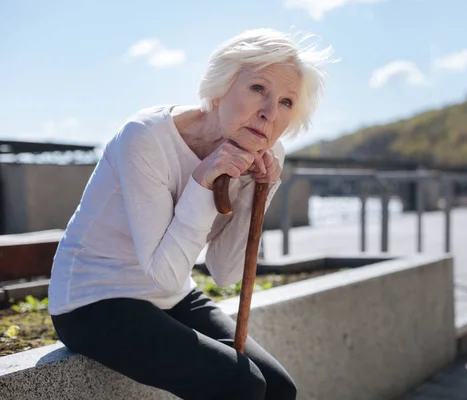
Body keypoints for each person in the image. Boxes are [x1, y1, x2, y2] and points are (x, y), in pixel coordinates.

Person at [48, 28, 334, 400]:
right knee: (241, 386)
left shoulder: (266, 154)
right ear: (220, 85)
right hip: (92, 300)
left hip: (171, 297)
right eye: (258, 89)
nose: (268, 113)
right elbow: (163, 275)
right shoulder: (145, 137)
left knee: (279, 389)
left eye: (285, 102)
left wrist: (257, 190)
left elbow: (226, 273)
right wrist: (202, 183)